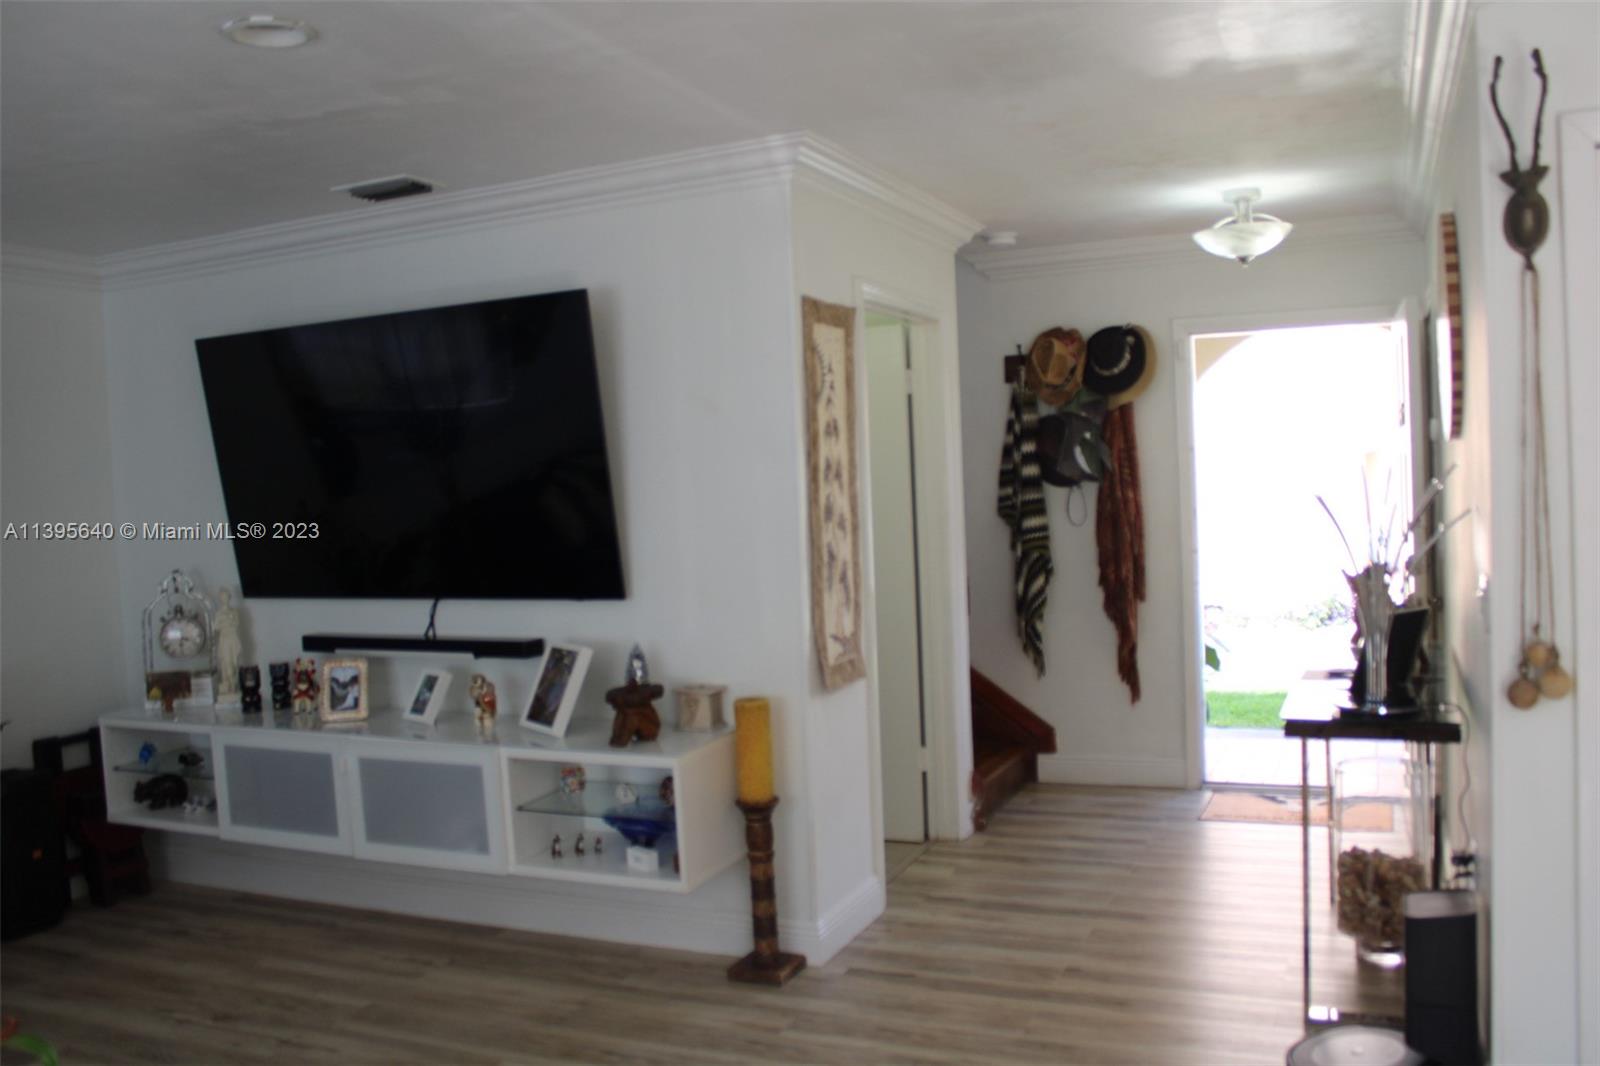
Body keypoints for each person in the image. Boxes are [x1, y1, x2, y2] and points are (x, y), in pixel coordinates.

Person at [214, 588, 242, 699]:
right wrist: (224, 622)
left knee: (234, 661)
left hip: (233, 638)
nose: (225, 599)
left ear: (229, 598)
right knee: (226, 661)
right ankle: (227, 683)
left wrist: (229, 621)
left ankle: (233, 684)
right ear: (221, 599)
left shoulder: (234, 612)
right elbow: (215, 627)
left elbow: (236, 624)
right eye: (223, 597)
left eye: (227, 597)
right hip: (224, 639)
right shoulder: (219, 613)